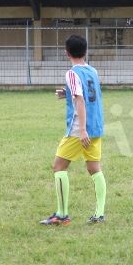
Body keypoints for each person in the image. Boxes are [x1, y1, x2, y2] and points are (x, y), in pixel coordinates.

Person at [39, 35, 108, 225]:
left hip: (80, 129)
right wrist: (67, 93)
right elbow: (88, 94)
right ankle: (99, 214)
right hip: (97, 126)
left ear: (66, 52)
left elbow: (80, 99)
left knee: (58, 167)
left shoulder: (71, 73)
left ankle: (62, 215)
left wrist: (82, 130)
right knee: (94, 168)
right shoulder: (93, 71)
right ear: (85, 51)